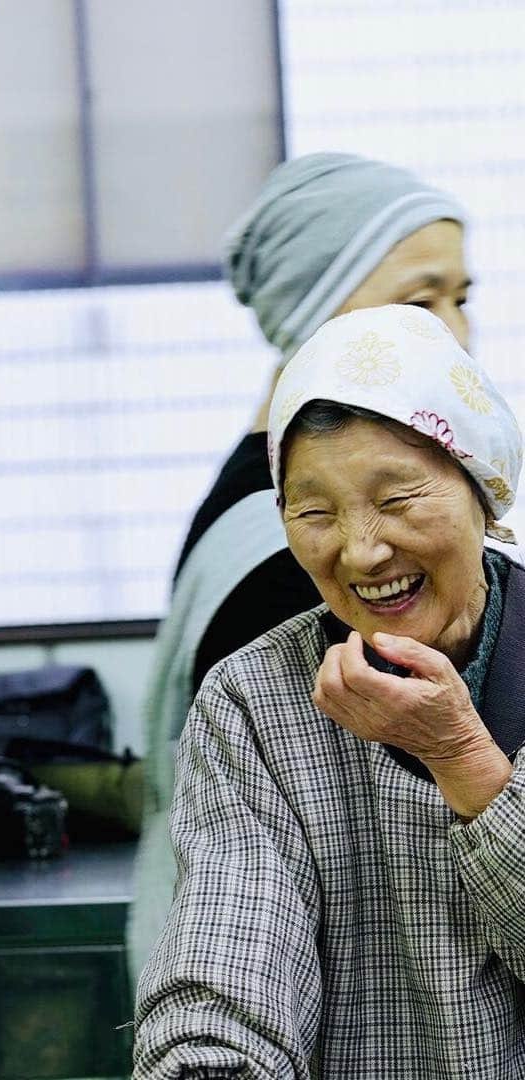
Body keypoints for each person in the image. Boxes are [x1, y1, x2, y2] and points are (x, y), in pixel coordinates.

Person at [134, 303, 525, 1077]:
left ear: (481, 486)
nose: (363, 549)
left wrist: (461, 756)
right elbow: (228, 961)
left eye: (397, 497)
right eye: (314, 511)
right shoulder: (254, 701)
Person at [129, 153, 474, 975]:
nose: (452, 336)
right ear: (315, 318)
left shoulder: (263, 488)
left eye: (462, 299)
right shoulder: (292, 563)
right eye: (416, 301)